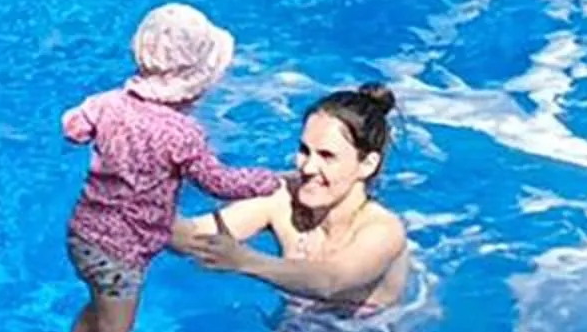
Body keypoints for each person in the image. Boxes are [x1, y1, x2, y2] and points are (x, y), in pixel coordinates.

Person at [53, 3, 282, 332]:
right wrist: (269, 181)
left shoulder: (108, 104)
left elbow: (73, 128)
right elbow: (218, 182)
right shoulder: (182, 134)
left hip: (82, 234)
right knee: (115, 330)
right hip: (121, 253)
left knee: (96, 306)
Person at [173, 84, 411, 316]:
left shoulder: (383, 230)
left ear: (367, 164)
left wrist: (245, 261)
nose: (308, 167)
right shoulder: (284, 196)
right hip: (294, 327)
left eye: (327, 156)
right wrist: (152, 201)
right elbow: (195, 239)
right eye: (305, 151)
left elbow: (332, 281)